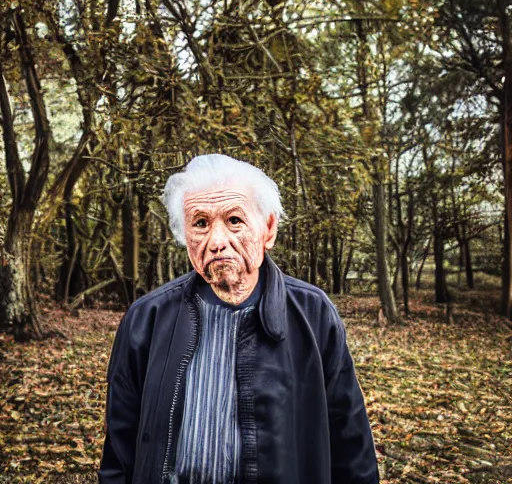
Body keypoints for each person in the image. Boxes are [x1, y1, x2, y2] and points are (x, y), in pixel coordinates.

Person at [98, 154, 379, 484]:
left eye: (234, 220)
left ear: (268, 229)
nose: (217, 242)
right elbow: (119, 448)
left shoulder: (313, 314)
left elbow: (351, 448)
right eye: (200, 223)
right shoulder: (147, 318)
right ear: (185, 237)